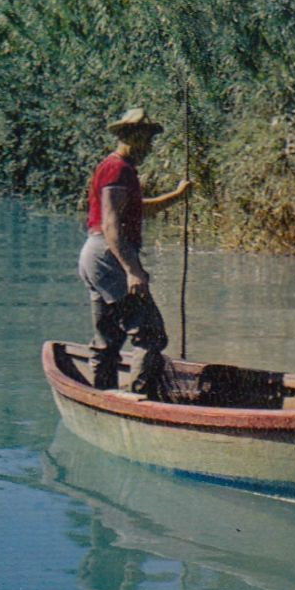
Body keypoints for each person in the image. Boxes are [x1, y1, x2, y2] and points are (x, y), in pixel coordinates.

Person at [77, 107, 193, 395]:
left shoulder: (121, 170)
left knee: (109, 337)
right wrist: (132, 271)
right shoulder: (117, 169)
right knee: (150, 334)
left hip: (99, 255)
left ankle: (101, 395)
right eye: (145, 139)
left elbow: (139, 210)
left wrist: (177, 197)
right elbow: (111, 224)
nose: (149, 147)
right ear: (128, 136)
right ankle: (139, 398)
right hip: (109, 255)